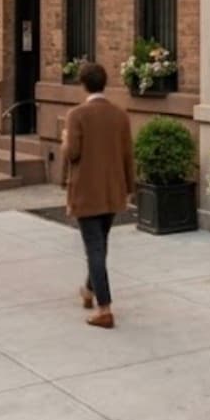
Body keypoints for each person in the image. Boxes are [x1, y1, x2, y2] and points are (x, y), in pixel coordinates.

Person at [60, 61, 135, 329]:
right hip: (113, 192)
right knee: (100, 244)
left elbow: (73, 153)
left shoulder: (77, 115)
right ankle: (89, 291)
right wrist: (129, 188)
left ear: (83, 84)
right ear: (105, 83)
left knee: (94, 247)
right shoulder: (120, 116)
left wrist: (65, 140)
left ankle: (104, 309)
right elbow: (128, 155)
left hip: (86, 193)